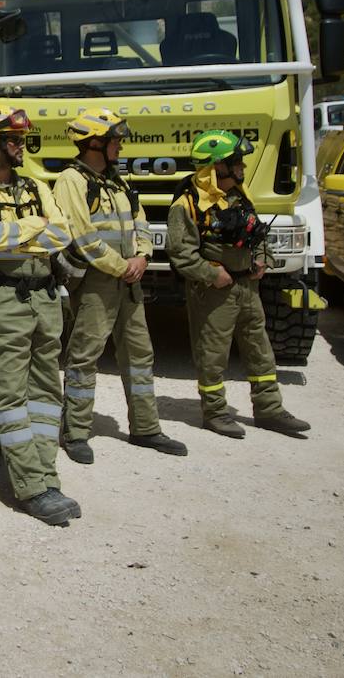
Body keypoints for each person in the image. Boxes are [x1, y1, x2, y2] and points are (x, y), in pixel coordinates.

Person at [0, 107, 79, 526]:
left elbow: (62, 233)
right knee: (9, 398)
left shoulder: (37, 187)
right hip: (4, 301)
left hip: (46, 296)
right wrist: (36, 226)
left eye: (22, 139)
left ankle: (47, 478)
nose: (21, 146)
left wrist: (22, 234)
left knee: (46, 393)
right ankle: (31, 488)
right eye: (13, 140)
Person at [53, 108, 187, 463]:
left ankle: (146, 428)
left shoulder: (117, 180)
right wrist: (122, 266)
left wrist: (143, 255)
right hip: (97, 282)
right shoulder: (71, 180)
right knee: (85, 354)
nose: (121, 146)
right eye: (115, 140)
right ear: (95, 142)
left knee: (140, 354)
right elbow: (81, 236)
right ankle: (76, 432)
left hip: (128, 279)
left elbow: (140, 220)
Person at [167, 130, 311, 439]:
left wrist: (262, 259)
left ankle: (270, 410)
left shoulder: (238, 196)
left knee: (260, 350)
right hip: (214, 292)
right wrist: (212, 275)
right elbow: (180, 254)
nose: (242, 167)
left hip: (247, 288)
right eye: (236, 162)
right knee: (212, 354)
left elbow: (256, 234)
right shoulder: (187, 204)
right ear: (217, 167)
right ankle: (215, 413)